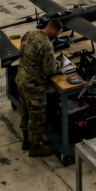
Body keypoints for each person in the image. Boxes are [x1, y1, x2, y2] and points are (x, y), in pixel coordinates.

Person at [17, 19, 63, 157]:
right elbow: (50, 70)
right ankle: (35, 147)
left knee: (25, 111)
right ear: (53, 31)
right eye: (58, 34)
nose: (58, 36)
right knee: (37, 116)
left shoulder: (29, 33)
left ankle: (25, 141)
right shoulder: (46, 45)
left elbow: (21, 51)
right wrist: (59, 63)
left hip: (21, 79)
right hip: (34, 85)